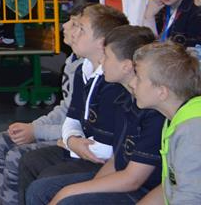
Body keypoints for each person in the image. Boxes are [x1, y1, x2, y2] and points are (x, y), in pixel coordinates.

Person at [25, 25, 162, 205]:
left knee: (65, 199)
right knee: (41, 189)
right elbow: (116, 160)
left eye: (107, 56)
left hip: (143, 189)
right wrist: (86, 187)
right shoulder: (125, 101)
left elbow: (132, 179)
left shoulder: (152, 112)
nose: (101, 61)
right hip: (120, 176)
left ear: (126, 66)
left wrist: (70, 192)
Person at [17, 4, 130, 203]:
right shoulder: (82, 69)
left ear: (101, 43)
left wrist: (69, 142)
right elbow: (71, 118)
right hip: (80, 148)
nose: (74, 33)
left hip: (99, 160)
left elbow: (104, 151)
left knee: (44, 184)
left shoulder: (112, 82)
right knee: (29, 161)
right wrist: (71, 140)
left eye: (81, 28)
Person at [0, 5, 86, 205]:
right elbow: (65, 109)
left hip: (77, 140)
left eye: (74, 23)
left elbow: (82, 127)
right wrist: (33, 126)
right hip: (64, 132)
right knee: (1, 142)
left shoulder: (91, 71)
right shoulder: (72, 62)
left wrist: (37, 132)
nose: (64, 26)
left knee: (17, 156)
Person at [131, 42, 201, 205]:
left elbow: (190, 199)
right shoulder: (176, 118)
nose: (132, 83)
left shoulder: (192, 131)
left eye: (138, 78)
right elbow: (171, 186)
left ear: (162, 92)